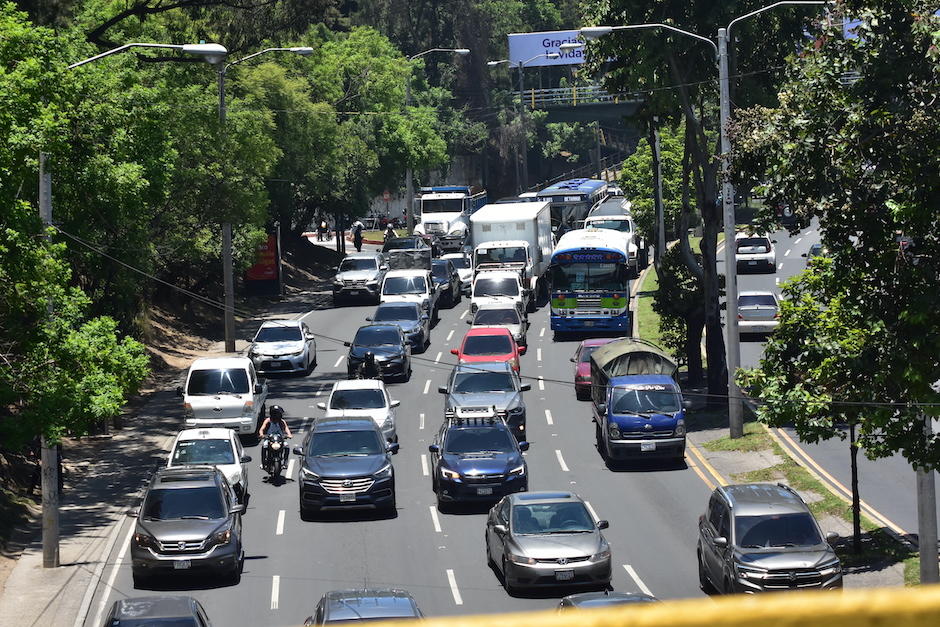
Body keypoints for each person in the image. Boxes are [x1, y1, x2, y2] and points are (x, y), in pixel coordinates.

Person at [258, 405, 292, 470]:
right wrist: (261, 434)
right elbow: (262, 429)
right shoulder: (268, 420)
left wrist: (289, 434)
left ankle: (285, 462)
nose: (278, 415)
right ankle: (263, 463)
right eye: (277, 414)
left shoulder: (282, 421)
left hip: (280, 439)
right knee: (264, 446)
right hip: (269, 439)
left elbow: (286, 428)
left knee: (286, 446)